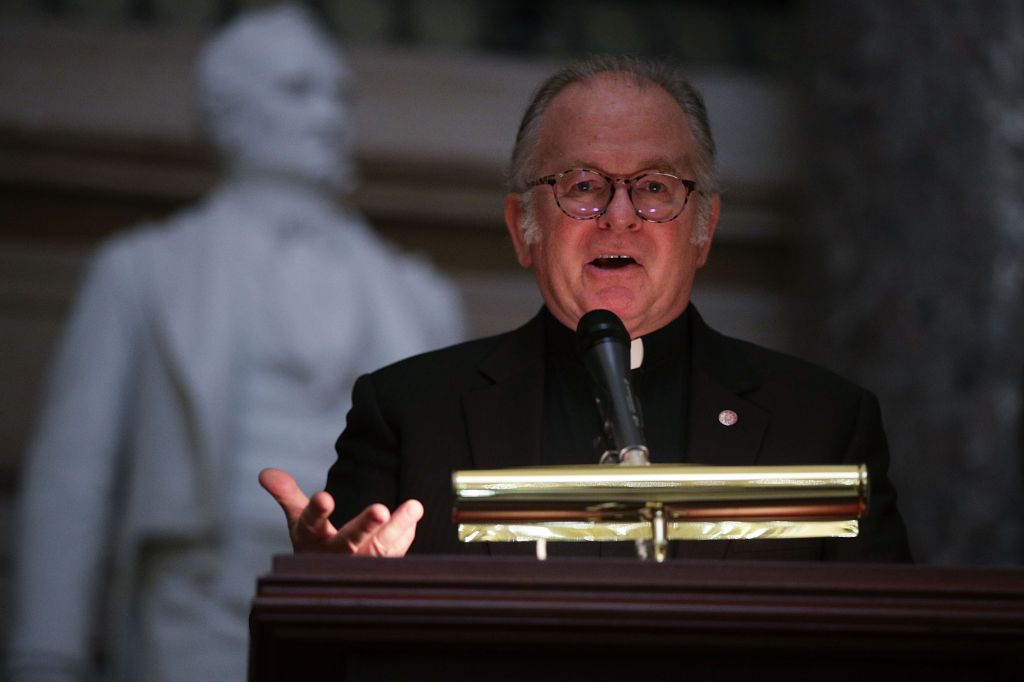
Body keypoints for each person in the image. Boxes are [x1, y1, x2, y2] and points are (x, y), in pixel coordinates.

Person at [260, 55, 912, 562]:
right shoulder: (409, 415)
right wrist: (334, 583)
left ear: (704, 228)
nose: (619, 218)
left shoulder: (824, 424)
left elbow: (892, 648)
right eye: (582, 186)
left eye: (655, 188)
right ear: (522, 228)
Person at [7, 5, 463, 682]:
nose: (328, 115)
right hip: (199, 605)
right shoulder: (142, 272)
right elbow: (74, 477)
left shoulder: (419, 295)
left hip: (374, 605)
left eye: (339, 94)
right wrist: (47, 651)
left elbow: (453, 493)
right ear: (227, 110)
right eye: (298, 90)